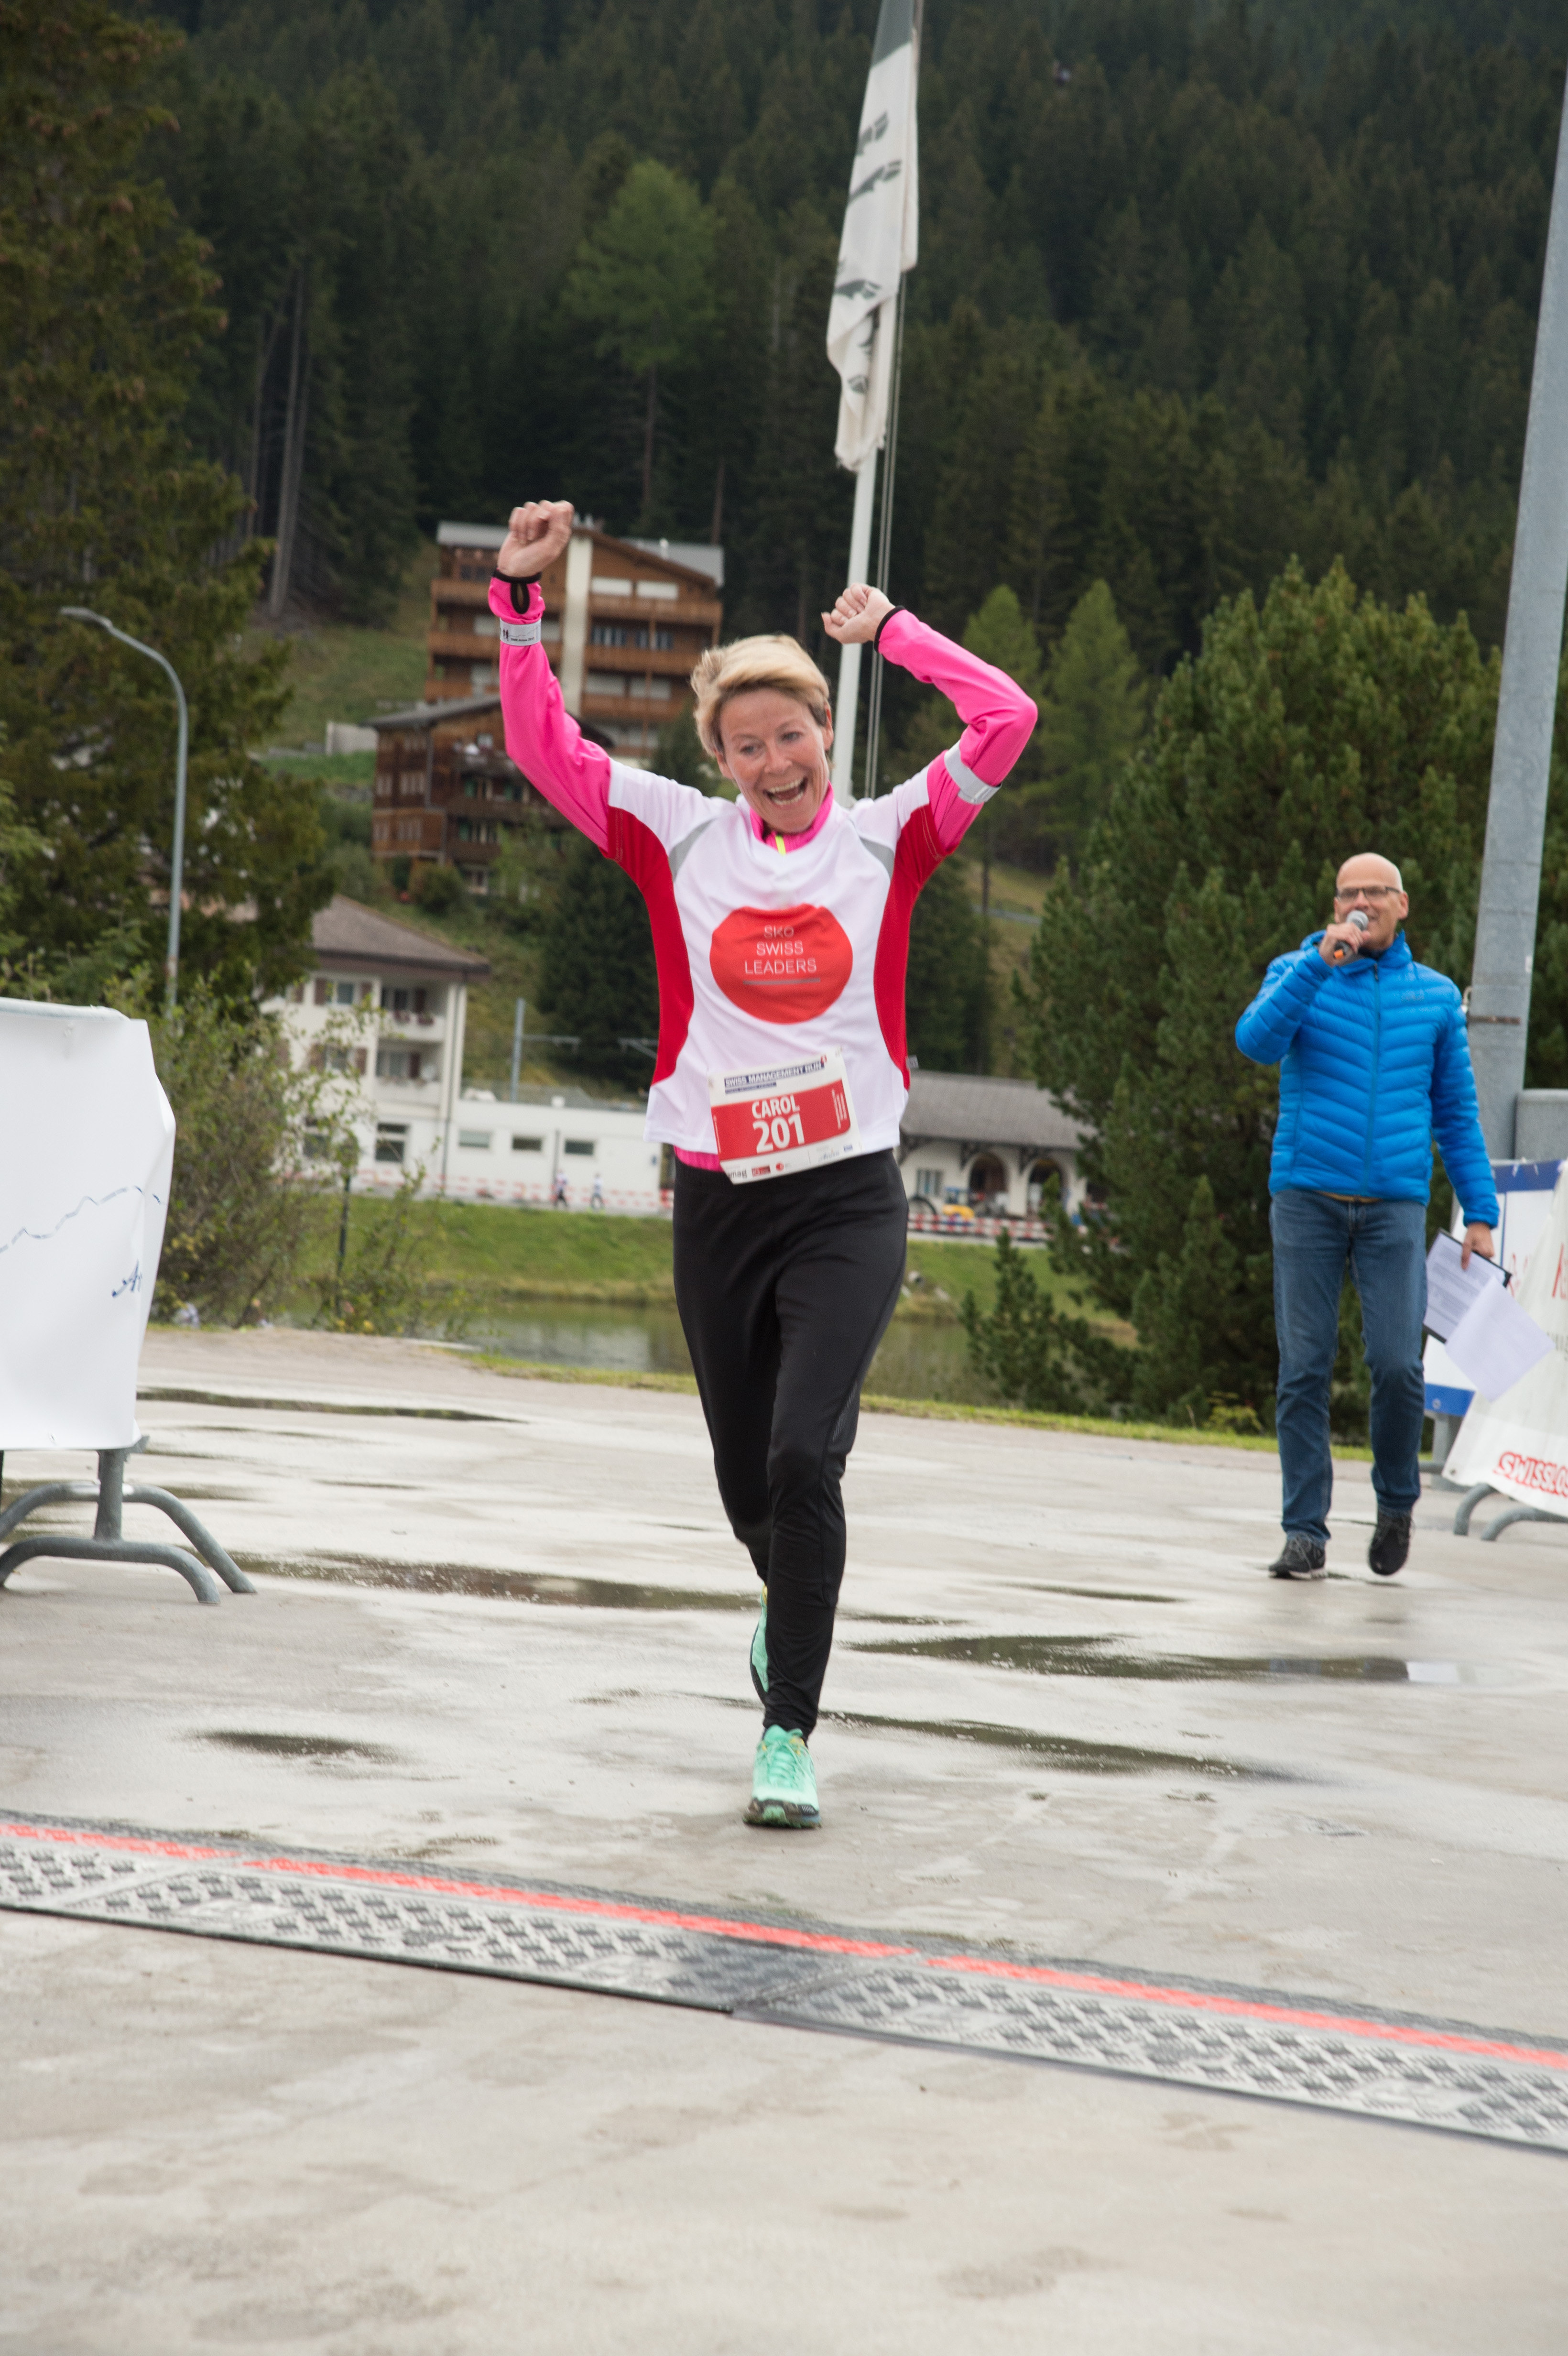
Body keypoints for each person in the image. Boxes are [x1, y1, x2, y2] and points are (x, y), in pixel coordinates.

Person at [491, 499, 1036, 1826]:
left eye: (791, 734)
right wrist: (515, 596)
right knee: (750, 1480)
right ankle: (784, 1603)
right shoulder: (676, 835)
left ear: (824, 736)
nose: (773, 758)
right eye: (748, 743)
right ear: (723, 758)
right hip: (720, 1200)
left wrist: (895, 632)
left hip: (849, 1196)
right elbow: (542, 745)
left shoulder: (891, 837)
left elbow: (1005, 719)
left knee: (806, 1457)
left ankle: (787, 1729)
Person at [1236, 852, 1499, 1580]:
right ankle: (1305, 1533)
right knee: (1304, 1367)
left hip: (1392, 1206)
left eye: (1373, 893)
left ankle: (1395, 1503)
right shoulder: (1300, 969)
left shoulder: (1437, 998)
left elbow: (1456, 1112)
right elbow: (1254, 1042)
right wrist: (1318, 965)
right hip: (1307, 1197)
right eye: (1348, 893)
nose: (1359, 903)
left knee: (1395, 1365)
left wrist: (1480, 1211)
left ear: (1401, 905)